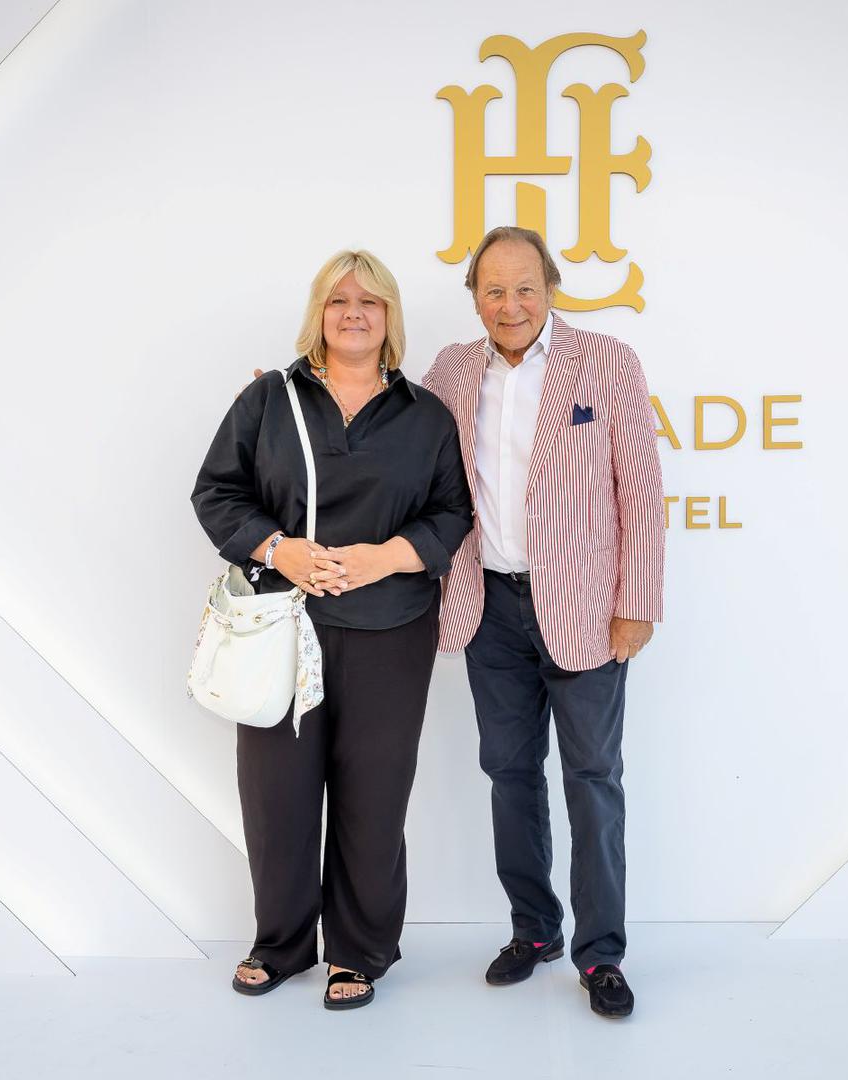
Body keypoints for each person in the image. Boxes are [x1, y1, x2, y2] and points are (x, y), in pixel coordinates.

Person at [190, 250, 471, 1010]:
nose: (354, 312)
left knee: (373, 798)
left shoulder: (425, 416)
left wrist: (384, 557)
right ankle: (280, 945)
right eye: (339, 299)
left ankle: (359, 952)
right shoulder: (269, 400)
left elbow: (452, 513)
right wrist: (279, 549)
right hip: (283, 627)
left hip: (391, 630)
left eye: (370, 301)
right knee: (276, 795)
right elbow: (216, 493)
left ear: (390, 317)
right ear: (318, 312)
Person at [421, 226, 664, 1019]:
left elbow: (641, 490)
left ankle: (601, 954)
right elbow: (400, 446)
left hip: (587, 609)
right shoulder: (452, 370)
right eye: (493, 290)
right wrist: (303, 400)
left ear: (550, 288)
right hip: (488, 607)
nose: (511, 304)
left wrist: (637, 603)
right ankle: (534, 931)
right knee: (509, 773)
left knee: (593, 778)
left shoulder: (606, 361)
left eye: (525, 287)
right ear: (475, 299)